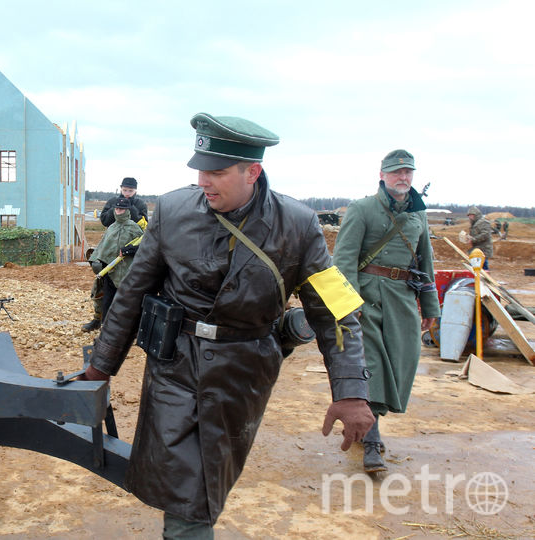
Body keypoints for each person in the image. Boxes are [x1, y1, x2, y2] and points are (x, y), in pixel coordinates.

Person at [82, 113, 375, 536]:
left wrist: (351, 392)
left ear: (252, 171)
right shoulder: (171, 210)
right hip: (174, 366)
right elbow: (131, 294)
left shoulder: (298, 225)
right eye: (200, 169)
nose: (203, 181)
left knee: (208, 477)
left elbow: (335, 310)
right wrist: (100, 368)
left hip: (245, 372)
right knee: (186, 489)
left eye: (216, 172)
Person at [332, 149, 440, 473]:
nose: (403, 178)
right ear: (382, 175)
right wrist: (347, 307)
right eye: (396, 172)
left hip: (404, 302)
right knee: (373, 369)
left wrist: (431, 305)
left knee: (402, 363)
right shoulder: (362, 208)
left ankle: (361, 420)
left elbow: (426, 262)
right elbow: (343, 261)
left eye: (408, 172)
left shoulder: (419, 215)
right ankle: (373, 441)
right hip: (367, 300)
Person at [86, 197, 144, 328]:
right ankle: (104, 327)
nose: (119, 211)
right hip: (109, 271)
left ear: (128, 210)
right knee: (106, 299)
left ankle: (130, 329)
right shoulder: (111, 227)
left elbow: (144, 247)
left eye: (122, 209)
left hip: (126, 273)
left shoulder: (134, 228)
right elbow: (103, 248)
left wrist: (129, 250)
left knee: (126, 301)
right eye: (117, 208)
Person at [465, 206, 494, 270]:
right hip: (477, 249)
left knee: (482, 267)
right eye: (469, 216)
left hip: (483, 249)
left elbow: (485, 235)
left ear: (476, 215)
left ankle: (484, 278)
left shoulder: (484, 222)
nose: (470, 217)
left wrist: (473, 239)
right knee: (475, 267)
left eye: (471, 215)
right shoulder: (474, 224)